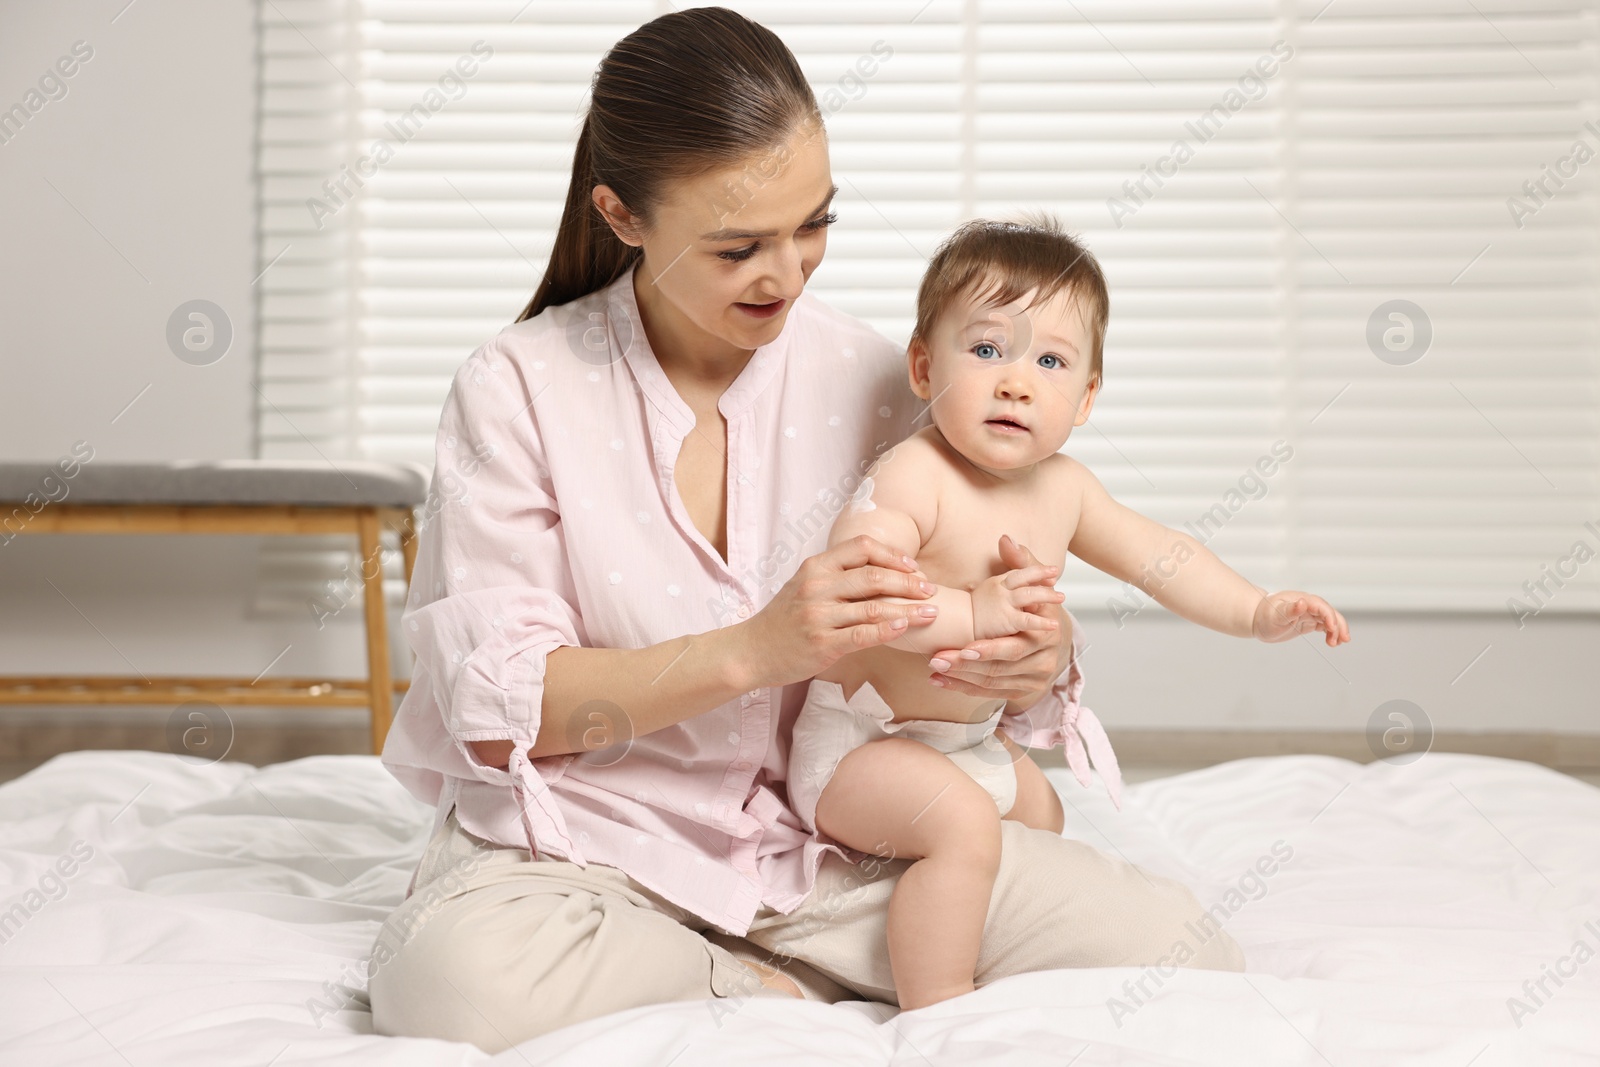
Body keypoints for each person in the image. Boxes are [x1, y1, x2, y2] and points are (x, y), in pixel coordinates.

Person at [367, 8, 1245, 1053]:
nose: (787, 274)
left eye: (814, 225)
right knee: (458, 982)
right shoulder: (516, 387)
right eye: (738, 246)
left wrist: (1027, 657)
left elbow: (964, 611)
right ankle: (750, 980)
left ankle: (762, 966)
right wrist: (756, 649)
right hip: (587, 843)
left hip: (825, 841)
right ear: (621, 213)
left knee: (1180, 942)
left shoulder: (884, 380)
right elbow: (499, 715)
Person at [788, 216, 1352, 1010]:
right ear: (922, 366)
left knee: (1043, 814)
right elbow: (864, 591)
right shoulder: (915, 474)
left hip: (965, 739)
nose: (1016, 381)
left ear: (1085, 396)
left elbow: (1165, 554)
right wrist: (975, 611)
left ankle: (955, 913)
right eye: (986, 350)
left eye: (1050, 361)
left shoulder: (1066, 488)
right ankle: (938, 1001)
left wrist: (1255, 609)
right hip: (859, 744)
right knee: (964, 827)